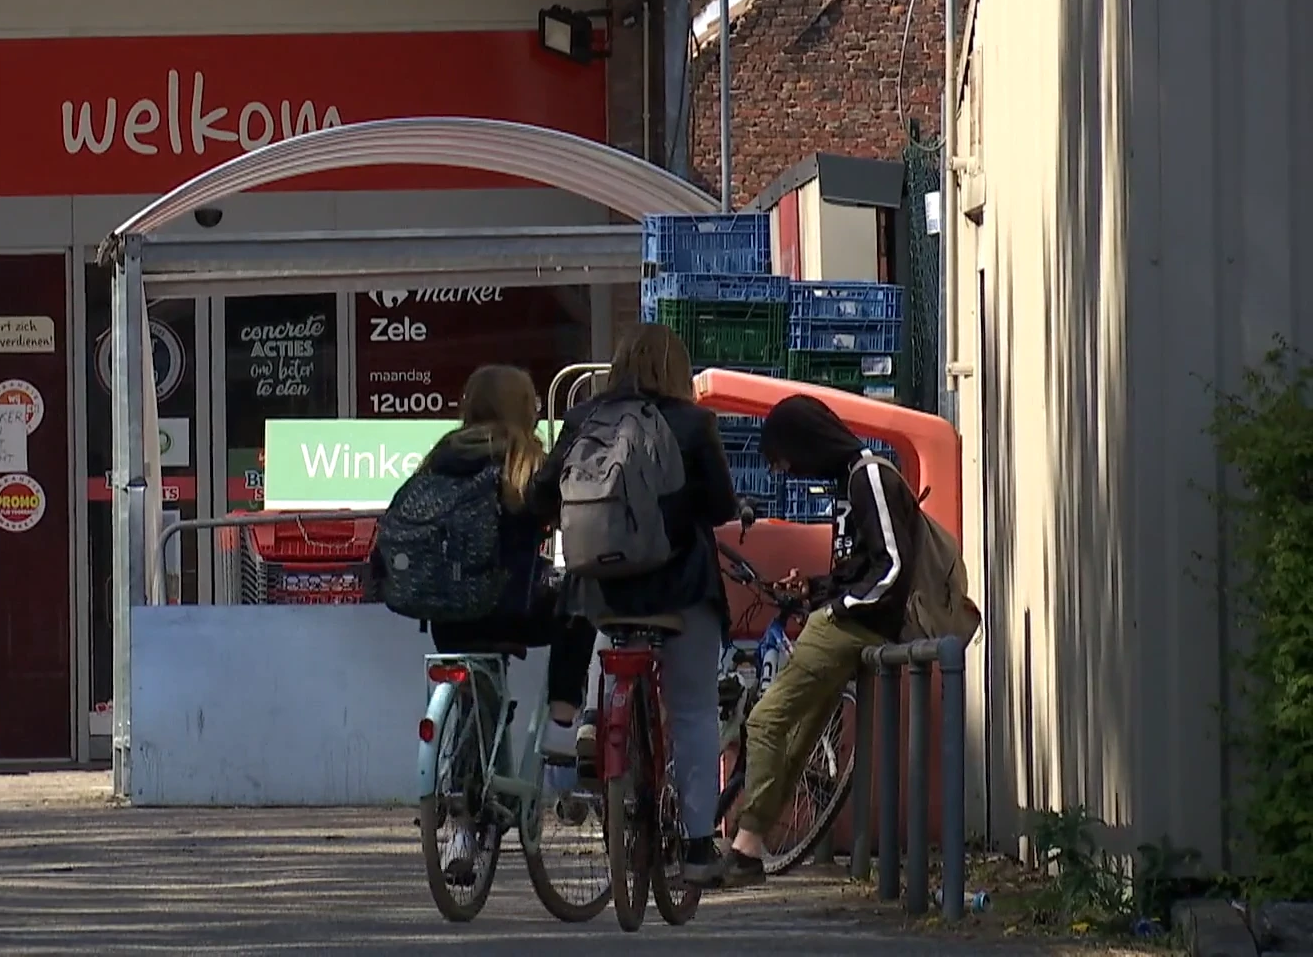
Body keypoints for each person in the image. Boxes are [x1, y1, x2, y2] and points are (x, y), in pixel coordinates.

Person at [529, 322, 744, 884]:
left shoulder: (582, 421)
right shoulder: (694, 423)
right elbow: (719, 506)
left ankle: (598, 720)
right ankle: (698, 850)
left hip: (601, 591)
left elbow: (540, 497)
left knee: (608, 639)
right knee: (695, 711)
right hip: (681, 589)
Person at [368, 365, 598, 878]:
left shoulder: (441, 457)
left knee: (476, 703)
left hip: (445, 617)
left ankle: (462, 839)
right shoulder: (524, 459)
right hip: (508, 608)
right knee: (580, 604)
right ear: (520, 407)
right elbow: (558, 514)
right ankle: (564, 724)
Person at [722, 393, 923, 887]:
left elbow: (892, 566)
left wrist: (837, 607)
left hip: (850, 627)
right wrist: (816, 588)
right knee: (795, 736)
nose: (790, 471)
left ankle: (746, 845)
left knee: (767, 721)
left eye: (787, 459)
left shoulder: (867, 477)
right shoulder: (855, 478)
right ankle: (747, 847)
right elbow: (869, 565)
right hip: (854, 620)